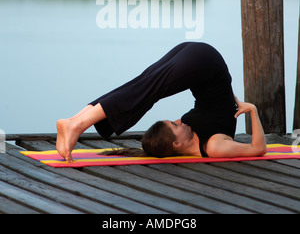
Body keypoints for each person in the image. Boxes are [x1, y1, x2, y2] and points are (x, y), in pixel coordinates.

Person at [56, 42, 267, 162]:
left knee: (142, 85)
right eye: (175, 125)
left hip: (198, 62)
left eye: (174, 122)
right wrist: (253, 110)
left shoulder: (188, 134)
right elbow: (258, 149)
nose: (178, 121)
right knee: (144, 90)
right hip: (206, 64)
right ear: (177, 143)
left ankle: (74, 121)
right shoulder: (214, 147)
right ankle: (76, 124)